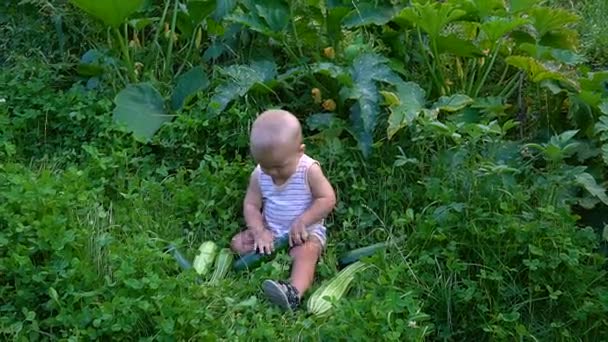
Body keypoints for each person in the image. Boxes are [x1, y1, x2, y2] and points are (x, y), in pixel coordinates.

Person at [230, 109, 337, 311]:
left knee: (307, 252)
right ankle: (269, 254)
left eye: (279, 167)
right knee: (238, 243)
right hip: (270, 232)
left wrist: (303, 220)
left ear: (300, 151)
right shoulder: (260, 174)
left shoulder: (309, 170)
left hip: (305, 233)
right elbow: (251, 205)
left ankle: (292, 292)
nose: (273, 173)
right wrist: (259, 231)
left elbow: (327, 198)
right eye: (266, 166)